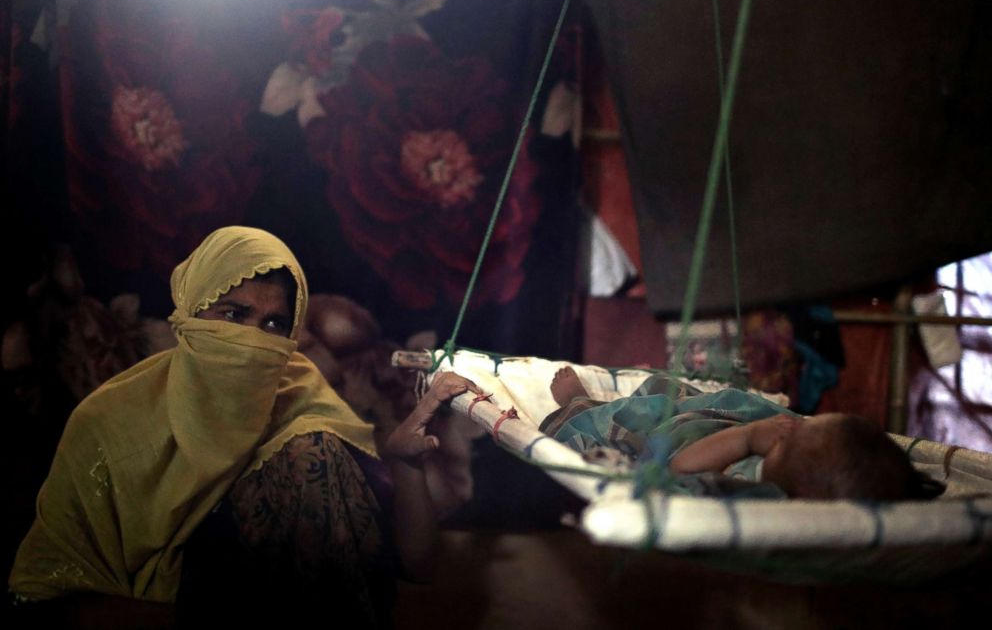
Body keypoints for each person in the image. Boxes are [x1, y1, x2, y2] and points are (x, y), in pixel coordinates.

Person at [8, 226, 480, 627]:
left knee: (311, 453)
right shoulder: (112, 420)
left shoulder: (303, 397)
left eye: (274, 323)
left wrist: (405, 465)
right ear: (192, 313)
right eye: (233, 315)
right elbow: (46, 595)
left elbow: (415, 564)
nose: (253, 341)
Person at [542, 366, 937, 501]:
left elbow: (680, 465)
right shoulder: (795, 473)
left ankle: (579, 402)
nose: (790, 429)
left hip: (675, 440)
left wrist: (748, 437)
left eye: (794, 437)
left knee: (612, 434)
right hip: (711, 421)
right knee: (673, 393)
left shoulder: (749, 484)